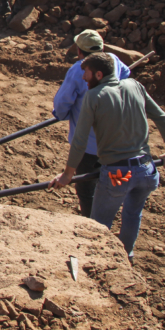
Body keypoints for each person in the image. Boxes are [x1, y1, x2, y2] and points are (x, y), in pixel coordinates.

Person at [49, 52, 165, 262]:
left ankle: (98, 261)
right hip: (146, 172)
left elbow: (80, 141)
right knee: (132, 214)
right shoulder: (135, 86)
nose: (83, 78)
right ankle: (127, 256)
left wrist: (67, 175)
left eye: (86, 74)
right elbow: (162, 118)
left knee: (99, 222)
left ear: (99, 74)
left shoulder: (94, 96)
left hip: (120, 176)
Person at [51, 30, 131, 217]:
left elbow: (63, 102)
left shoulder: (79, 69)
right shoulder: (112, 60)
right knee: (113, 179)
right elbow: (126, 74)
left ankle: (92, 223)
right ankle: (110, 211)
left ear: (80, 52)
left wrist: (61, 115)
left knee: (86, 188)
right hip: (117, 140)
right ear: (102, 49)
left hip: (89, 144)